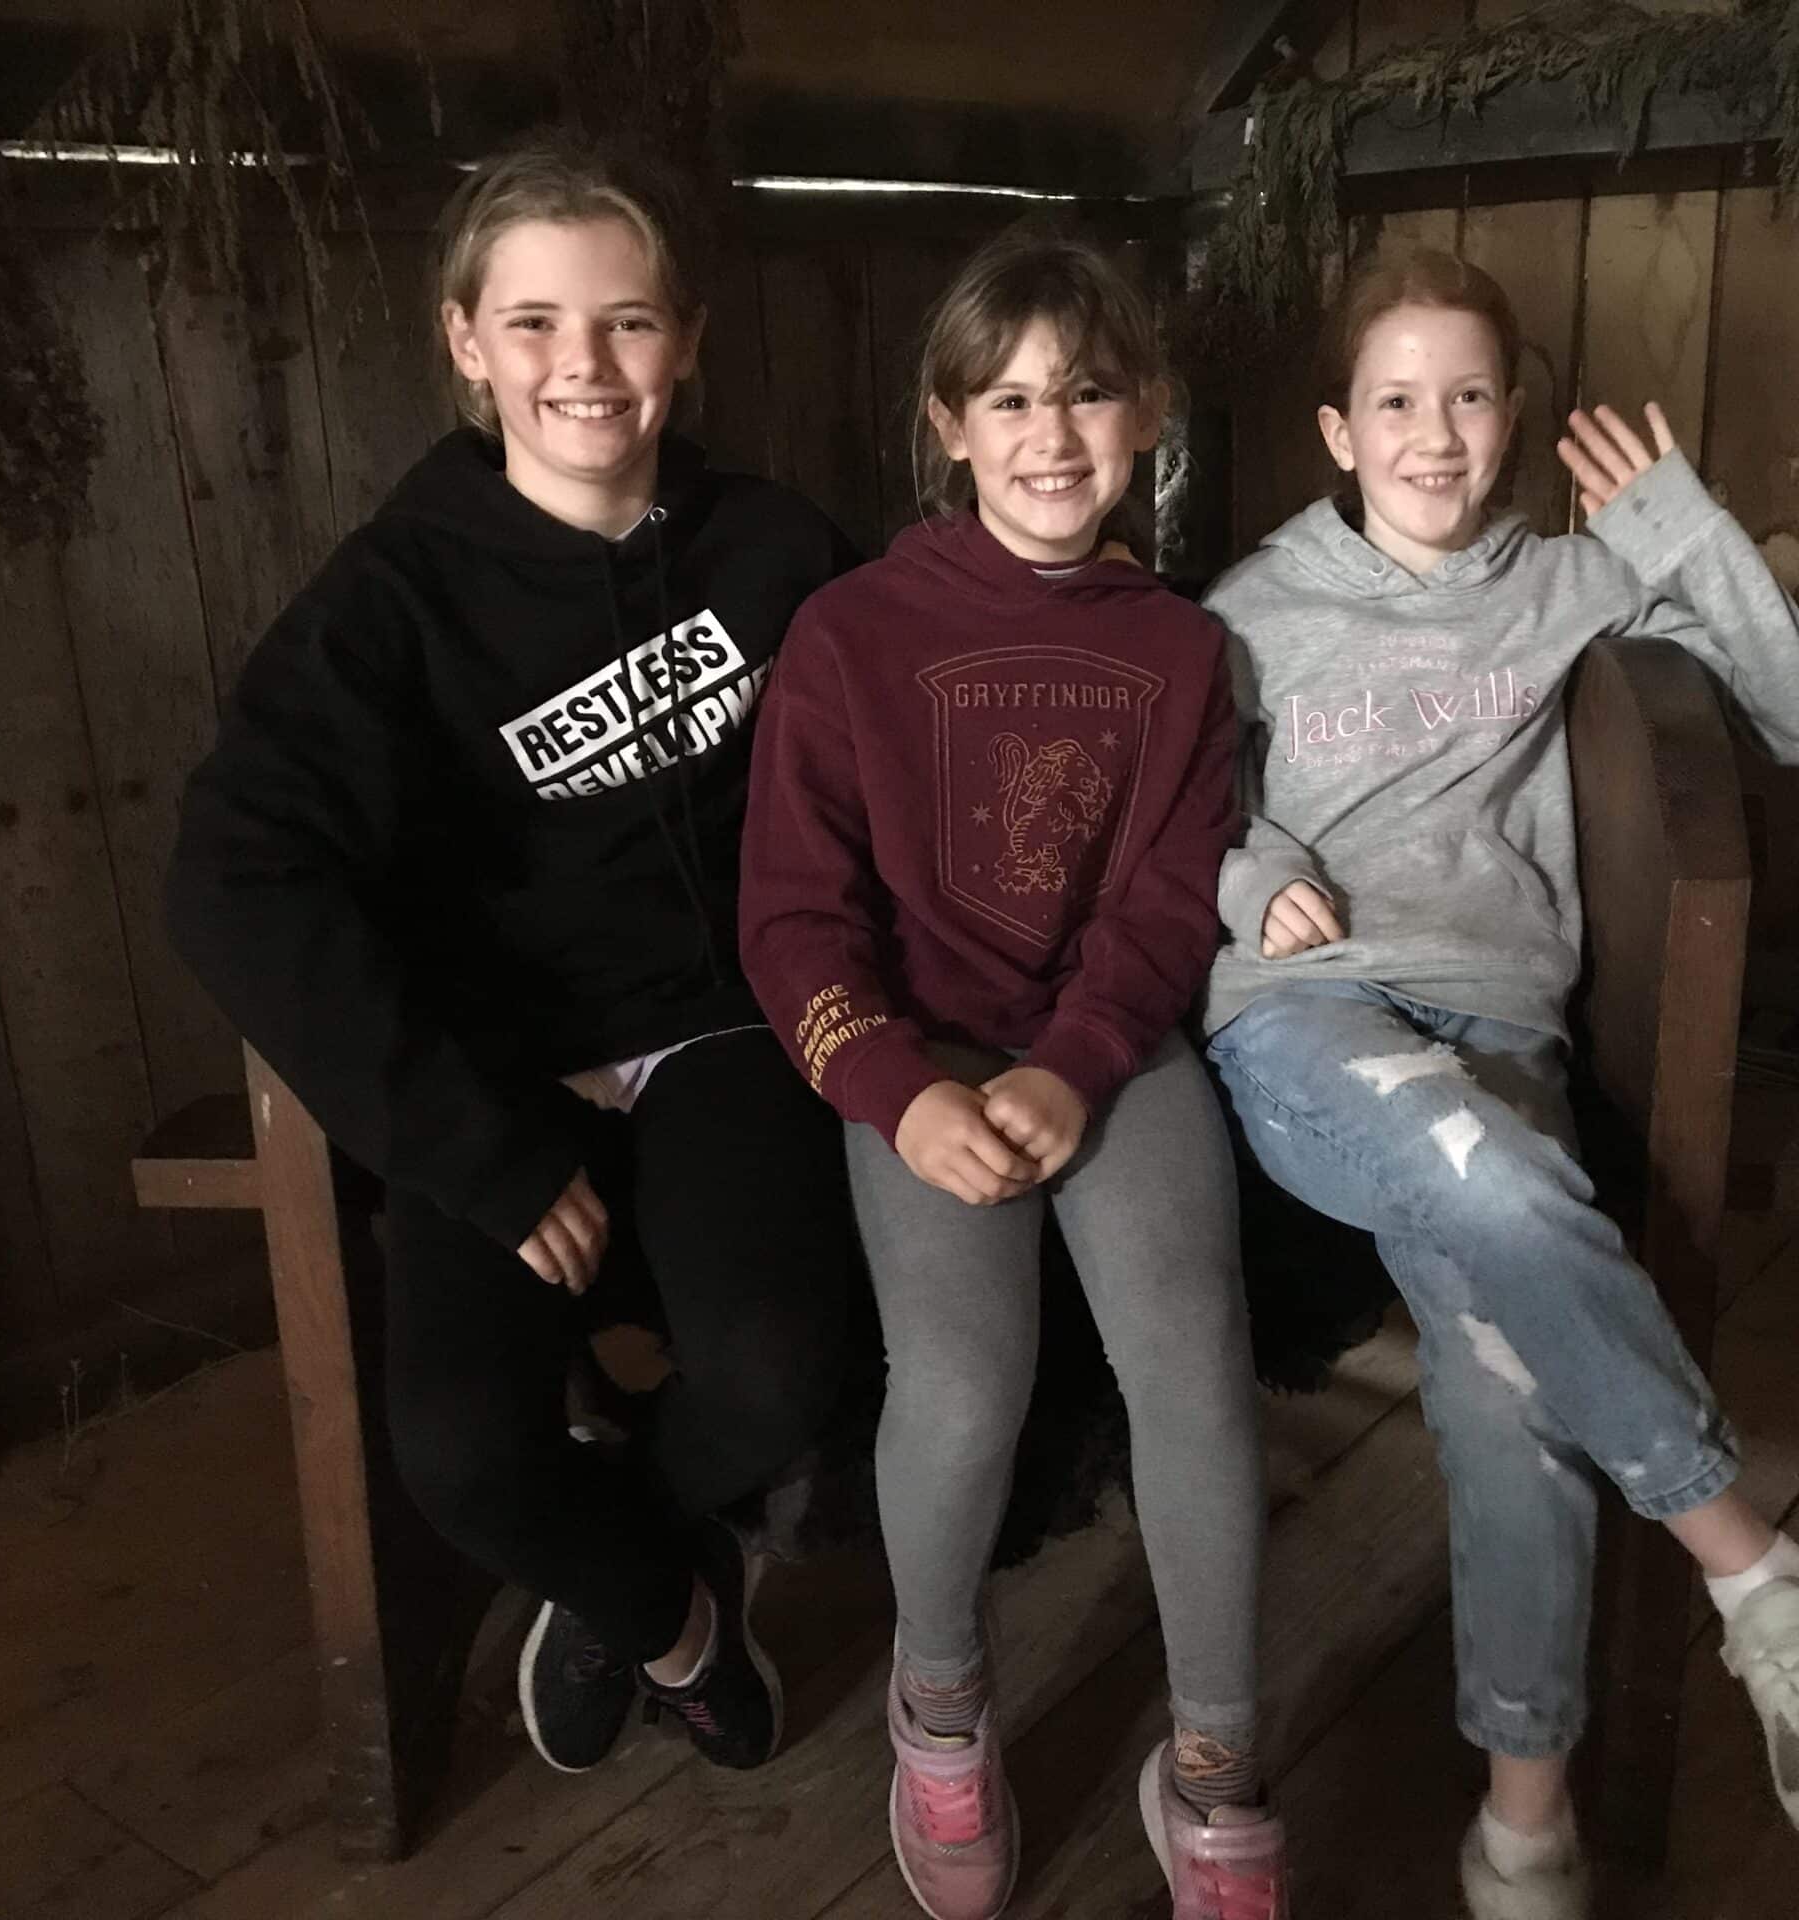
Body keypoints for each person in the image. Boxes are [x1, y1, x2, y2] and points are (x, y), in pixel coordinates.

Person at [1200, 247, 1799, 1920]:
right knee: (1491, 1171)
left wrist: (1678, 526)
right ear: (1337, 429)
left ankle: (1525, 1829)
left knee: (1511, 1378)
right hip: (1309, 1020)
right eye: (1398, 401)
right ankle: (1757, 1575)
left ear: (1517, 413)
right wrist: (1253, 878)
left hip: (1495, 1025)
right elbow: (1171, 807)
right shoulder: (1251, 612)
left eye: (1470, 396)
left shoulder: (1568, 584)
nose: (1435, 435)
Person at [166, 138, 862, 1783]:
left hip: (724, 1032)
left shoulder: (775, 548)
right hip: (496, 1074)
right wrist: (465, 1141)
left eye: (628, 321)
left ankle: (635, 1547)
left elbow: (929, 712)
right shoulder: (393, 601)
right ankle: (676, 1619)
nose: (584, 365)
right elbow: (231, 873)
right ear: (466, 344)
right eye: (535, 322)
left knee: (785, 1377)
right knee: (464, 1457)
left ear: (686, 340)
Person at [739, 229, 1289, 1920]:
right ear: (949, 426)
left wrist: (1081, 1065)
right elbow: (792, 919)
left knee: (1192, 1367)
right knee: (966, 1384)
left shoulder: (1183, 652)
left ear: (1149, 414)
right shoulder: (847, 635)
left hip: (1107, 1049)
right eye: (1010, 400)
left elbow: (1168, 900)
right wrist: (899, 1091)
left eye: (1090, 393)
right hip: (920, 1065)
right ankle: (940, 1701)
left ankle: (1217, 1769)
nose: (1052, 434)